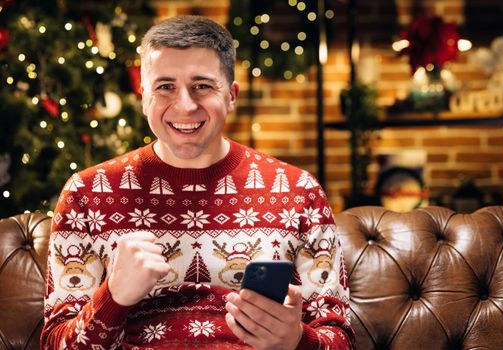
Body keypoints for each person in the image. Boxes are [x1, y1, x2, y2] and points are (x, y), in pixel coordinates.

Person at [41, 15, 355, 350]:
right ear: (144, 95)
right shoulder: (87, 194)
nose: (185, 106)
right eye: (165, 87)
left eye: (202, 86)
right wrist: (114, 297)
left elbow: (340, 340)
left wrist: (298, 340)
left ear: (231, 96)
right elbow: (56, 344)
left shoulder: (298, 191)